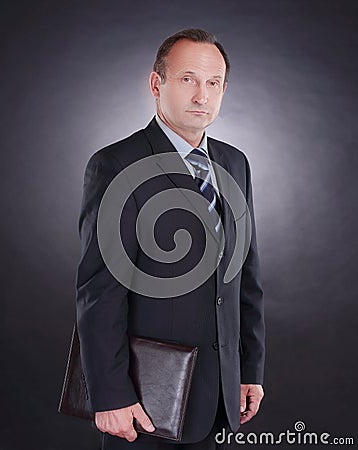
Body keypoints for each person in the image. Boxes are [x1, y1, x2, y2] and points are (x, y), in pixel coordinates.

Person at [76, 28, 265, 450]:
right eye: (187, 79)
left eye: (213, 83)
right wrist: (110, 395)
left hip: (221, 399)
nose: (202, 95)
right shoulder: (116, 164)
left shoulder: (235, 163)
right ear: (156, 84)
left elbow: (244, 276)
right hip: (147, 402)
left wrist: (248, 369)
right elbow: (100, 293)